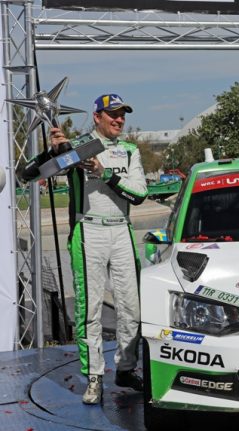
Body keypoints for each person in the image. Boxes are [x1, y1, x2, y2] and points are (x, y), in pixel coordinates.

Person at [25, 94, 148, 404]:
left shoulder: (131, 151)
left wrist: (104, 173)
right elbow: (29, 174)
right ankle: (94, 377)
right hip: (88, 229)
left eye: (122, 114)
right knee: (89, 308)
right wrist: (52, 152)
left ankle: (126, 368)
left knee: (131, 308)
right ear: (97, 117)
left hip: (121, 229)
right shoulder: (77, 147)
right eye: (112, 114)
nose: (119, 120)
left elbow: (139, 195)